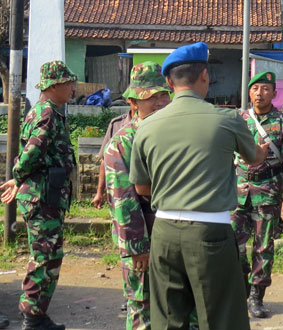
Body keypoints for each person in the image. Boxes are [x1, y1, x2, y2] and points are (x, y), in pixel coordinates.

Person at [129, 42, 268, 330]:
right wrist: (263, 150)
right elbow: (254, 158)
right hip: (211, 233)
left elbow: (141, 188)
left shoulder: (146, 126)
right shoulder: (228, 120)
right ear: (204, 75)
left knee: (168, 319)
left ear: (169, 82)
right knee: (220, 318)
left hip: (164, 232)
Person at [0, 60, 77, 330]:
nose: (72, 87)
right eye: (68, 83)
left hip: (45, 196)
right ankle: (32, 317)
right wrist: (19, 177)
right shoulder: (46, 113)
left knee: (50, 255)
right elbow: (32, 153)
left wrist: (17, 178)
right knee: (45, 256)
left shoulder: (45, 111)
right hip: (42, 198)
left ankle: (37, 315)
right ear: (54, 85)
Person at [104, 61, 171, 329]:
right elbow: (123, 200)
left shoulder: (173, 133)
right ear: (133, 102)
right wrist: (137, 248)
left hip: (174, 234)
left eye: (163, 95)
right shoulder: (123, 142)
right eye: (150, 98)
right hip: (143, 235)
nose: (158, 103)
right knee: (143, 308)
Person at [231, 71, 283, 318]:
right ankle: (241, 289)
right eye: (255, 89)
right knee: (232, 245)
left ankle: (256, 296)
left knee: (263, 247)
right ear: (249, 93)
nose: (259, 93)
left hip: (268, 192)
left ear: (274, 93)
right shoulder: (239, 120)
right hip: (237, 193)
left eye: (264, 89)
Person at [92, 99, 136, 209]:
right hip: (121, 195)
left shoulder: (154, 125)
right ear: (129, 100)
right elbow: (104, 160)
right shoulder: (117, 124)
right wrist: (99, 192)